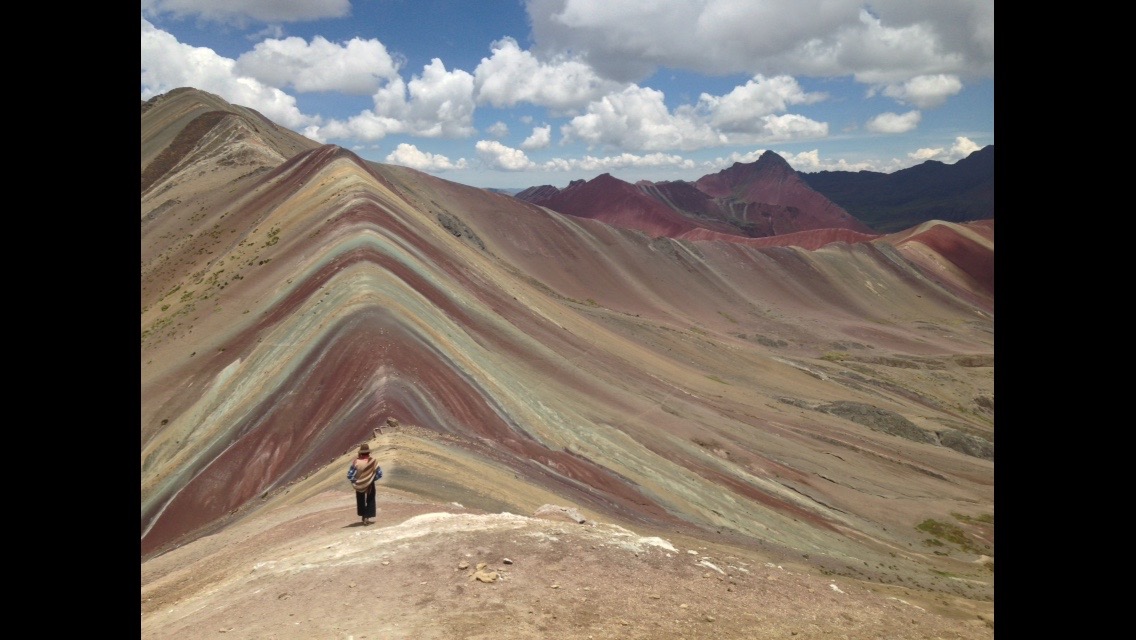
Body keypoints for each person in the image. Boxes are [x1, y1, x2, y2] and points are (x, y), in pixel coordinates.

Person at [347, 443, 383, 525]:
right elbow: (379, 474)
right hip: (370, 484)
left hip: (359, 484)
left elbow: (350, 475)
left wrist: (356, 481)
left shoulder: (356, 462)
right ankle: (367, 516)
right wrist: (371, 479)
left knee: (360, 499)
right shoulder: (373, 461)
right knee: (370, 499)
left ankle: (363, 515)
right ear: (368, 452)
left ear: (360, 453)